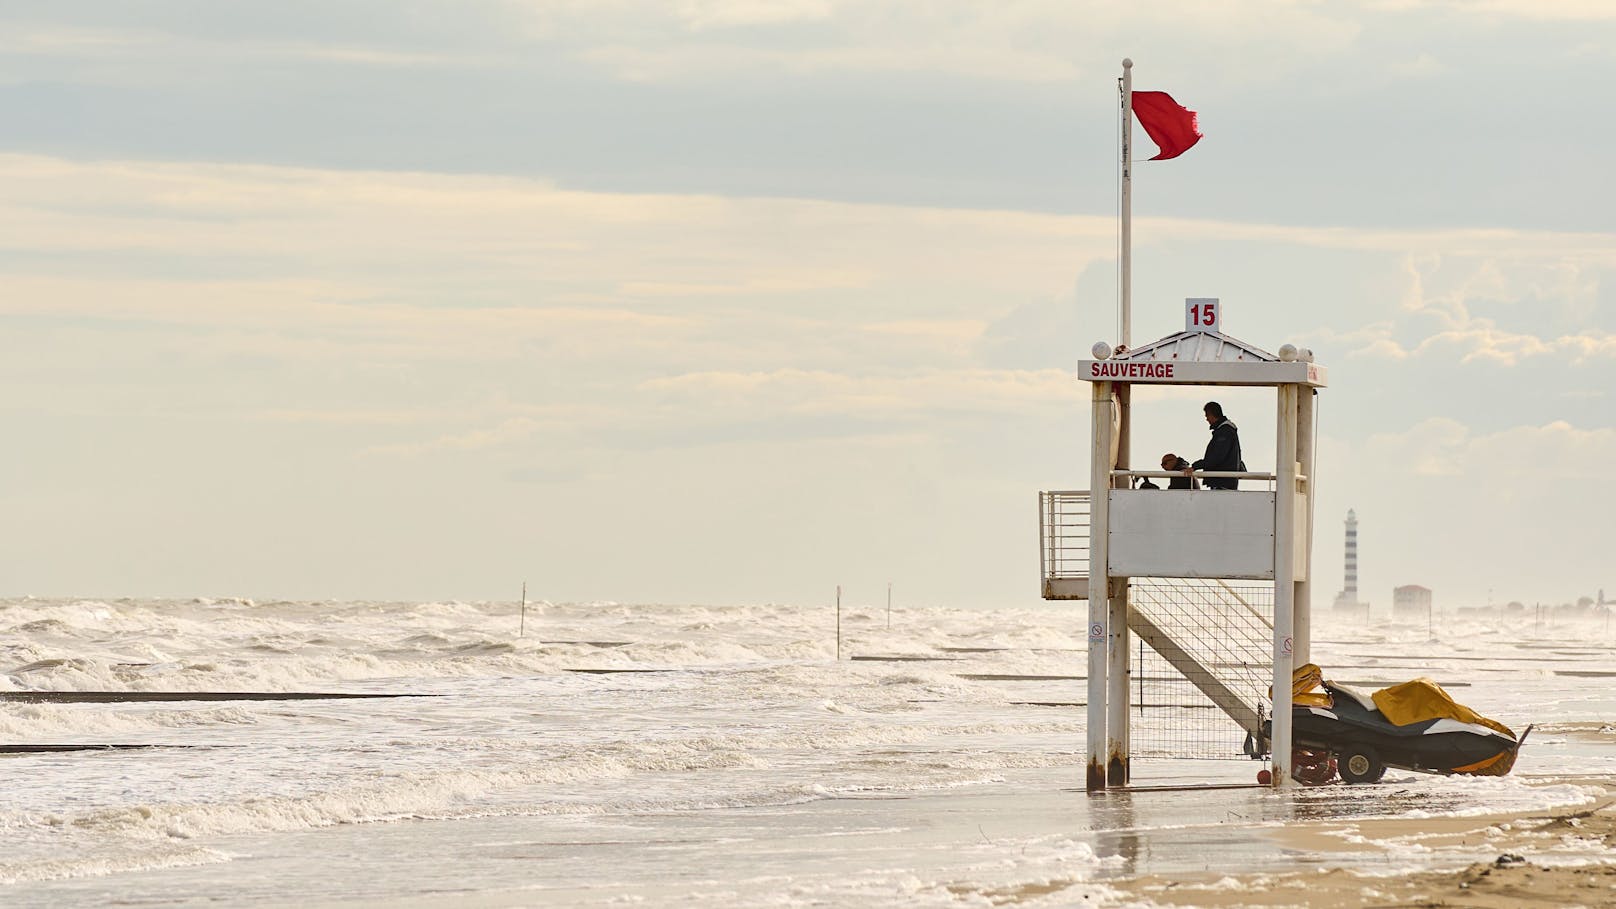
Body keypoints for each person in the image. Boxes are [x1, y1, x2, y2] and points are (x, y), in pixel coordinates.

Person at [1188, 402, 1244, 489]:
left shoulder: (1224, 432)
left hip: (1222, 482)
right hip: (1226, 482)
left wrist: (1195, 466)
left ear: (1211, 414)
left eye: (1207, 416)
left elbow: (1217, 456)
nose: (1206, 419)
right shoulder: (1227, 431)